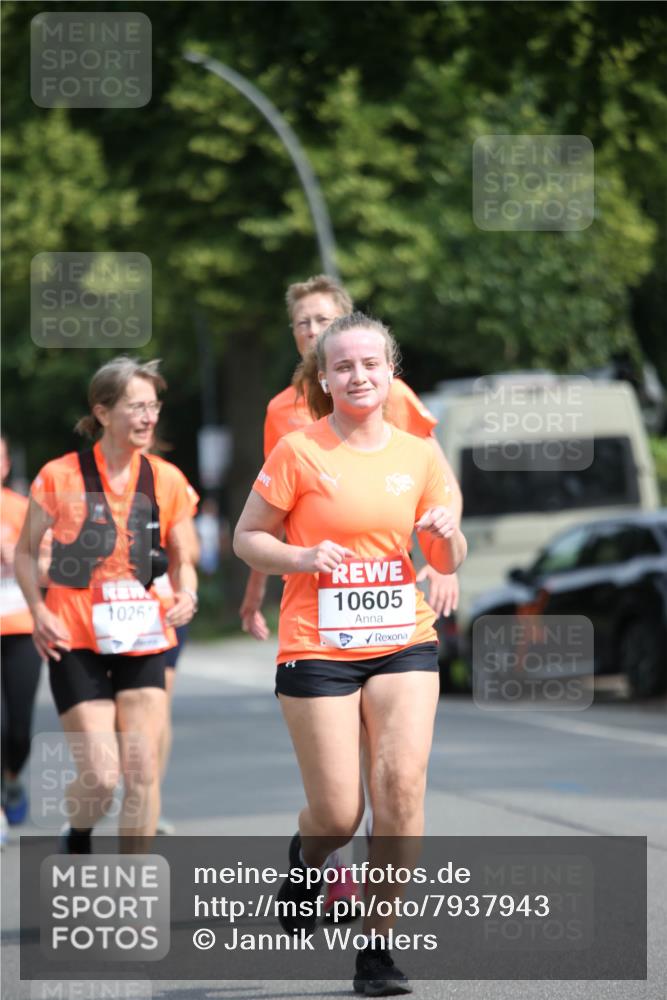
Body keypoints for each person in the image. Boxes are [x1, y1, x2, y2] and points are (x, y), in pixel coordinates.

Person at [234, 313, 466, 995]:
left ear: (390, 369)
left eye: (370, 364)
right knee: (338, 814)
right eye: (343, 367)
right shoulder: (299, 452)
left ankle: (377, 948)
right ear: (324, 378)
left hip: (402, 638)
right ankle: (308, 861)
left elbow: (448, 555)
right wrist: (300, 556)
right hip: (317, 642)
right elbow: (249, 536)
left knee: (399, 788)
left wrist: (447, 534)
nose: (357, 376)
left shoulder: (419, 453)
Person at [14, 358, 198, 853]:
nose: (148, 417)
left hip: (143, 637)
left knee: (141, 772)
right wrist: (39, 609)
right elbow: (26, 552)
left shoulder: (166, 479)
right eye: (136, 406)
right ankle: (78, 831)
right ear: (102, 411)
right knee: (101, 774)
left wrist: (189, 592)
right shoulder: (60, 476)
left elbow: (185, 556)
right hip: (74, 637)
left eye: (154, 406)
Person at [240, 274, 462, 643]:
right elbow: (269, 513)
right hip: (314, 593)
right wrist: (255, 588)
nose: (312, 331)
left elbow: (445, 488)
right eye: (302, 323)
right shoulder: (280, 410)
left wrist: (444, 562)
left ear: (343, 323)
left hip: (386, 581)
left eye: (323, 321)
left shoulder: (390, 393)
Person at [1, 434, 43, 830]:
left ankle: (11, 778)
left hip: (19, 625)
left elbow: (46, 560)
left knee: (18, 727)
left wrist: (15, 554)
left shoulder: (20, 507)